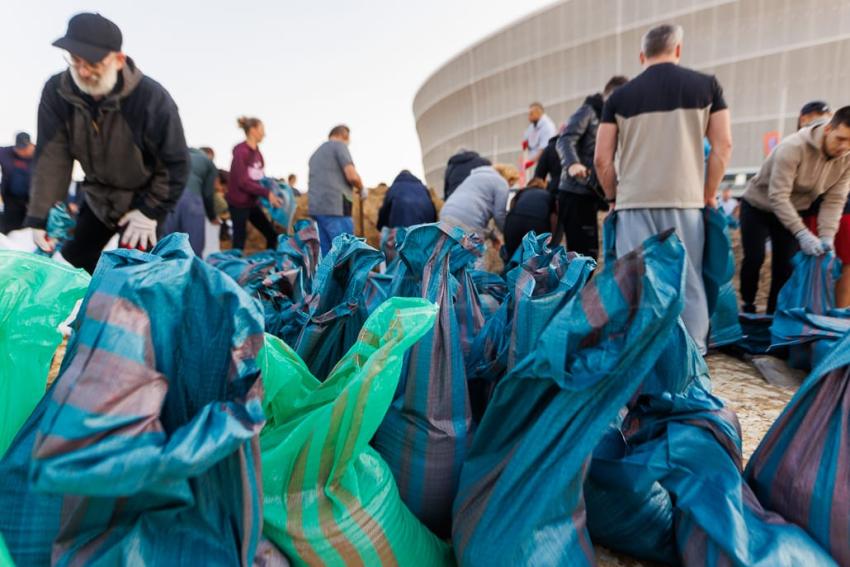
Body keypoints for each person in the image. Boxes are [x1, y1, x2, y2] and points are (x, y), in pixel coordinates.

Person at [594, 24, 732, 353]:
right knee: (689, 282)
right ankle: (691, 359)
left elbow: (601, 159)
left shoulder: (619, 97)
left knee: (635, 285)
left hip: (634, 203)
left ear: (642, 56)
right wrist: (708, 193)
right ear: (678, 50)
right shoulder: (707, 86)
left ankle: (637, 359)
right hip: (685, 201)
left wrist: (613, 197)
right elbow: (723, 145)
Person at [25, 13, 189, 273]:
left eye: (93, 63)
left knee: (142, 270)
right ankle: (90, 308)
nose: (83, 71)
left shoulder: (151, 99)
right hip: (98, 195)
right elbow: (52, 157)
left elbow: (175, 163)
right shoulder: (58, 92)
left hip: (144, 196)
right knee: (74, 258)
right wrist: (42, 215)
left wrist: (150, 211)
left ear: (118, 60)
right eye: (75, 60)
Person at [740, 107, 850, 313]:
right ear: (828, 129)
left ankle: (774, 316)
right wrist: (802, 234)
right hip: (758, 206)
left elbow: (834, 200)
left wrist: (827, 237)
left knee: (785, 267)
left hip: (794, 210)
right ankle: (748, 304)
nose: (844, 147)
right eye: (841, 139)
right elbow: (778, 196)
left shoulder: (847, 158)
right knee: (754, 258)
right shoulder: (793, 147)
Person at [556, 75, 629, 258]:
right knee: (583, 257)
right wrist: (573, 164)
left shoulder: (612, 120)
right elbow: (565, 139)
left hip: (590, 193)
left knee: (589, 256)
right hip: (575, 192)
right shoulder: (589, 111)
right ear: (611, 95)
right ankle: (573, 287)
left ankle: (577, 286)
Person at [307, 124, 364, 255]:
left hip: (318, 211)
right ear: (344, 135)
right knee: (344, 254)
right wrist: (361, 188)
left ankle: (331, 277)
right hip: (337, 208)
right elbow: (351, 175)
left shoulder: (316, 154)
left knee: (328, 257)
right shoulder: (339, 146)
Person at [227, 116, 282, 251]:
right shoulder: (241, 152)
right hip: (238, 203)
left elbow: (260, 179)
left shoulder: (258, 154)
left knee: (272, 235)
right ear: (252, 130)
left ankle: (269, 265)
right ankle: (234, 269)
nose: (264, 133)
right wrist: (266, 193)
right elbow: (242, 181)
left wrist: (273, 190)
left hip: (252, 203)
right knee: (239, 240)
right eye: (262, 129)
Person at [160, 147, 219, 256]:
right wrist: (212, 217)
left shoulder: (179, 152)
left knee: (165, 245)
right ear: (210, 156)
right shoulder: (208, 162)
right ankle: (191, 270)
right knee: (193, 247)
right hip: (191, 199)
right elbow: (208, 194)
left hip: (167, 197)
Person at [439, 164, 511, 235]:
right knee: (474, 245)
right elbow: (499, 215)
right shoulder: (502, 183)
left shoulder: (473, 177)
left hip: (446, 212)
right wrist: (508, 234)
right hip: (468, 219)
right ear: (510, 179)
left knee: (447, 245)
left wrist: (493, 236)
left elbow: (477, 212)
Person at [502, 183, 555, 259]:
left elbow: (512, 202)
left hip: (514, 220)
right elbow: (554, 218)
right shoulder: (549, 195)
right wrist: (552, 238)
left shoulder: (523, 191)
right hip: (538, 223)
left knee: (511, 256)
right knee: (534, 259)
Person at [0, 132, 35, 233]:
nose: (21, 151)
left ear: (30, 145)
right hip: (11, 200)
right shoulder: (5, 152)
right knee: (10, 230)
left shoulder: (39, 154)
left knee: (29, 230)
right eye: (19, 148)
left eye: (24, 148)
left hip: (31, 201)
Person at [522, 103, 557, 171]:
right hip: (534, 162)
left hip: (545, 163)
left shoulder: (548, 127)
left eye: (531, 114)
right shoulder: (533, 126)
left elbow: (544, 149)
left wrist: (531, 161)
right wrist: (526, 142)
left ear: (538, 113)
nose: (529, 117)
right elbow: (527, 137)